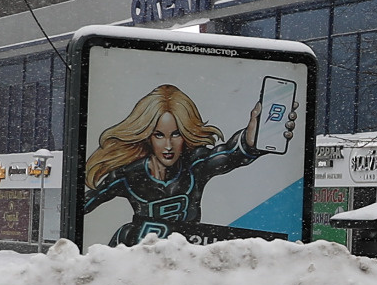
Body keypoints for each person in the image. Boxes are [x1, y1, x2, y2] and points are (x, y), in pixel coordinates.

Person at [78, 83, 293, 246]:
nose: (168, 145)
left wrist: (251, 140)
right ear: (148, 137)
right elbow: (83, 204)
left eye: (176, 134)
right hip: (137, 258)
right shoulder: (128, 175)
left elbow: (229, 154)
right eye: (159, 135)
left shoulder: (195, 165)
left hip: (188, 256)